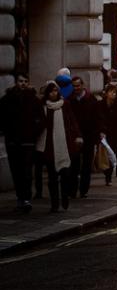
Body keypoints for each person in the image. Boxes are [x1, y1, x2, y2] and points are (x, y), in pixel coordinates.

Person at [37, 82, 81, 212]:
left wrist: (77, 136)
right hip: (49, 145)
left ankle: (65, 197)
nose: (53, 93)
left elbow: (72, 121)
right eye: (51, 91)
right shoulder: (43, 106)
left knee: (65, 175)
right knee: (52, 178)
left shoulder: (64, 105)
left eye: (55, 91)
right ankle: (54, 203)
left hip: (64, 145)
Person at [0, 74, 41, 212]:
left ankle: (26, 198)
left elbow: (41, 119)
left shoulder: (33, 99)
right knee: (16, 171)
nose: (23, 84)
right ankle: (20, 197)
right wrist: (7, 133)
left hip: (28, 141)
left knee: (27, 171)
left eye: (25, 81)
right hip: (13, 141)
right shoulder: (7, 99)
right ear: (16, 82)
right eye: (20, 81)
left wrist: (34, 133)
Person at [68, 76, 101, 198]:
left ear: (82, 85)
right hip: (75, 137)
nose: (76, 88)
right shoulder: (70, 100)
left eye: (78, 85)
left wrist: (97, 134)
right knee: (74, 165)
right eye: (74, 86)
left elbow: (97, 118)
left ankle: (83, 190)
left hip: (89, 136)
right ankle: (72, 190)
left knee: (86, 165)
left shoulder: (91, 99)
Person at [99, 83, 117, 183]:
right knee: (108, 154)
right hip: (106, 133)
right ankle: (108, 175)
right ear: (106, 93)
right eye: (111, 92)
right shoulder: (101, 105)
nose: (113, 94)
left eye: (115, 92)